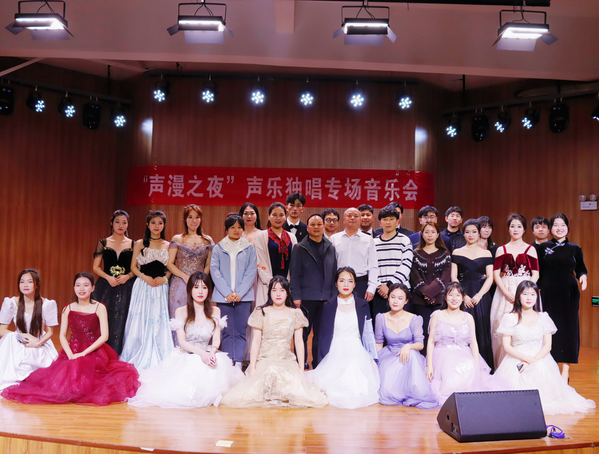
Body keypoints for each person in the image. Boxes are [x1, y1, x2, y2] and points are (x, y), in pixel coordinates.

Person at [2, 272, 140, 405]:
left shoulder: (99, 307)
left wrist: (83, 353)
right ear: (74, 288)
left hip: (94, 350)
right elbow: (62, 335)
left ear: (93, 288)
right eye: (78, 285)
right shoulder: (68, 308)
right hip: (72, 349)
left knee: (89, 380)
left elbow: (104, 336)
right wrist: (70, 354)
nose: (81, 289)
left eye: (86, 285)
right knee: (62, 381)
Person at [127, 272, 244, 408]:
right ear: (190, 290)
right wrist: (201, 354)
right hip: (187, 355)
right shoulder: (181, 311)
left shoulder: (215, 311)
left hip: (207, 352)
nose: (200, 291)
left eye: (204, 287)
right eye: (196, 287)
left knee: (218, 368)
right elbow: (182, 342)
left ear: (209, 290)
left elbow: (217, 339)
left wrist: (212, 352)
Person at [220, 276, 327, 408]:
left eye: (282, 290)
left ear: (287, 293)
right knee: (263, 381)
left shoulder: (295, 313)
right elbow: (256, 342)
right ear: (269, 292)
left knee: (297, 391)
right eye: (274, 290)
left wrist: (301, 369)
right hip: (266, 360)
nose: (278, 294)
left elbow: (299, 342)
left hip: (287, 360)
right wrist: (252, 368)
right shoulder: (261, 312)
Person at [494, 280, 595, 415]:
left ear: (537, 297)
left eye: (532, 294)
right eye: (525, 294)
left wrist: (532, 360)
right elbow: (506, 346)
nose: (529, 298)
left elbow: (548, 346)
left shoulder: (544, 317)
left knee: (540, 369)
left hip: (540, 357)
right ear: (518, 296)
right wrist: (526, 359)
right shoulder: (510, 318)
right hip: (516, 358)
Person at [308, 267, 380, 409]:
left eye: (350, 281)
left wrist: (373, 357)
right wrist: (322, 360)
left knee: (356, 383)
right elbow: (323, 335)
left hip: (356, 349)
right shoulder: (328, 306)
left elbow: (368, 332)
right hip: (335, 349)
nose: (346, 284)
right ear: (336, 284)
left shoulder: (363, 304)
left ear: (355, 284)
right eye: (342, 281)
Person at [120, 211, 174, 370]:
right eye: (153, 223)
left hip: (160, 287)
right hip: (143, 286)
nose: (157, 226)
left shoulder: (168, 245)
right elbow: (133, 267)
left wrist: (165, 279)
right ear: (147, 225)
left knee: (158, 318)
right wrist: (144, 277)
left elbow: (171, 267)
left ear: (164, 225)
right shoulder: (139, 243)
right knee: (140, 318)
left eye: (160, 223)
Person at [537, 214, 588, 382]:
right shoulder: (542, 247)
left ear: (567, 227)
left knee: (568, 330)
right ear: (550, 228)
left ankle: (565, 371)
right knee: (548, 329)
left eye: (563, 225)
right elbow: (537, 271)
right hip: (548, 293)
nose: (559, 228)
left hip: (569, 294)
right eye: (556, 225)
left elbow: (581, 269)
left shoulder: (575, 248)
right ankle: (550, 368)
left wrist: (583, 277)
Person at [426, 282, 494, 405]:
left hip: (464, 353)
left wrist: (477, 366)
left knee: (470, 367)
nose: (454, 298)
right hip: (442, 355)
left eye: (458, 295)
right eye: (450, 295)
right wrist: (429, 365)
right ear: (445, 297)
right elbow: (431, 341)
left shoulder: (468, 317)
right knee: (448, 369)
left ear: (463, 298)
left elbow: (473, 343)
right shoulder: (437, 315)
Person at [375, 283, 438, 409]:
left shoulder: (415, 319)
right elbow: (378, 343)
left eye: (400, 298)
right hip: (389, 355)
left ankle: (414, 392)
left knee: (412, 355)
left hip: (409, 357)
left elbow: (420, 344)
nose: (395, 301)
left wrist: (408, 347)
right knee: (387, 392)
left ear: (406, 301)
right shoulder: (381, 318)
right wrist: (376, 364)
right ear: (388, 298)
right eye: (393, 297)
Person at [490, 213, 539, 369]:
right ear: (508, 229)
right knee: (501, 326)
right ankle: (502, 368)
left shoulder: (531, 249)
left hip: (525, 290)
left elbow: (536, 273)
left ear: (524, 230)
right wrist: (505, 292)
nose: (515, 229)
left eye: (519, 226)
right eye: (512, 226)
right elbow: (496, 274)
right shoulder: (501, 249)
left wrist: (526, 291)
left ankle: (525, 364)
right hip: (505, 291)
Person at [289, 213, 337, 369]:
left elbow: (334, 274)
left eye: (319, 224)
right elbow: (294, 275)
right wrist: (296, 296)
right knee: (302, 334)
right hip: (305, 299)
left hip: (326, 299)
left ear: (323, 226)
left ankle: (319, 364)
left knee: (322, 335)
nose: (316, 227)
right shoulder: (300, 248)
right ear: (307, 227)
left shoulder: (330, 247)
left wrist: (333, 296)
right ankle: (300, 363)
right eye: (313, 224)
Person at [210, 214, 257, 368]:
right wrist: (227, 293)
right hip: (223, 297)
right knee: (226, 330)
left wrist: (239, 293)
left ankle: (238, 362)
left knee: (241, 330)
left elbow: (251, 271)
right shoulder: (218, 248)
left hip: (244, 297)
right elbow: (214, 271)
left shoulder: (249, 248)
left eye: (239, 227)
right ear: (226, 230)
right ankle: (227, 362)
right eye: (232, 227)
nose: (236, 230)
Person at [0, 269, 58, 391]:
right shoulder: (11, 302)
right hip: (18, 342)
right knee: (9, 337)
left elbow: (50, 332)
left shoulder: (47, 304)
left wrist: (38, 342)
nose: (25, 285)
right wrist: (24, 336)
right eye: (22, 282)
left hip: (39, 342)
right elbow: (2, 330)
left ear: (36, 285)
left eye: (29, 282)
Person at [451, 219, 494, 370]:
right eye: (467, 232)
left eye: (474, 231)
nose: (471, 234)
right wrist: (463, 296)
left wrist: (479, 295)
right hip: (462, 293)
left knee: (481, 328)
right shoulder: (457, 252)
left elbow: (490, 278)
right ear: (463, 234)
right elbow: (454, 276)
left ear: (479, 233)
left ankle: (483, 368)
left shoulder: (486, 253)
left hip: (481, 295)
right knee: (463, 329)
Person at [92, 210, 136, 354]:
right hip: (106, 285)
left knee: (123, 318)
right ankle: (100, 351)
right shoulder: (103, 242)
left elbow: (137, 267)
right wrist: (108, 277)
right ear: (111, 223)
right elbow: (95, 267)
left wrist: (128, 276)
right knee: (103, 317)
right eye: (117, 222)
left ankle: (119, 352)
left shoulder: (133, 244)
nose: (121, 225)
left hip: (126, 286)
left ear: (128, 224)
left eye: (124, 222)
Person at [410, 222, 451, 355]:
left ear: (438, 234)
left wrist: (430, 294)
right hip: (419, 301)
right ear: (422, 234)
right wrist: (427, 295)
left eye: (433, 232)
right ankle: (422, 361)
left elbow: (445, 277)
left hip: (439, 301)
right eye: (427, 232)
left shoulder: (444, 254)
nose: (430, 235)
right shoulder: (415, 254)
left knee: (438, 333)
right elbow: (414, 277)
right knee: (422, 333)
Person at [167, 205, 213, 320]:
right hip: (180, 282)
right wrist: (185, 277)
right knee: (179, 317)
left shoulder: (207, 240)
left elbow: (209, 264)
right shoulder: (177, 239)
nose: (194, 221)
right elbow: (169, 263)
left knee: (199, 316)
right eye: (190, 217)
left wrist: (201, 279)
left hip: (200, 284)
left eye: (197, 217)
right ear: (185, 219)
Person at [372, 206, 413, 320]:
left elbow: (406, 265)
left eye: (391, 219)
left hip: (400, 292)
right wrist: (380, 286)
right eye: (385, 219)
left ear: (397, 222)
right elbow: (371, 267)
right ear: (380, 223)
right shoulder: (373, 243)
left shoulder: (404, 240)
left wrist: (390, 286)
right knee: (380, 326)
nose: (388, 222)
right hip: (380, 292)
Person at [330, 207, 378, 302]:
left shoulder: (368, 240)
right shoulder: (334, 239)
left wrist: (372, 287)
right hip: (339, 282)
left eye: (356, 216)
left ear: (360, 220)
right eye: (349, 216)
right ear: (344, 220)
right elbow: (330, 265)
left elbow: (373, 265)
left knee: (360, 310)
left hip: (361, 283)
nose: (352, 218)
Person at [254, 202, 298, 307]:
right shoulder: (262, 236)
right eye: (274, 215)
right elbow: (260, 261)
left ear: (285, 217)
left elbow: (295, 263)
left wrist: (286, 284)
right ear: (268, 216)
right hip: (267, 285)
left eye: (281, 215)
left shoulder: (291, 237)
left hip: (287, 285)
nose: (278, 218)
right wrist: (272, 284)